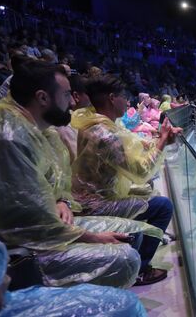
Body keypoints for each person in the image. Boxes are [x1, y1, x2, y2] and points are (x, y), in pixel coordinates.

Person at [0, 61, 140, 287]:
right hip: (22, 247)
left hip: (54, 222)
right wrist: (93, 238)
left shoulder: (41, 128)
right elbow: (31, 222)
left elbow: (58, 178)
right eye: (67, 94)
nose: (72, 102)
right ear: (42, 98)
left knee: (133, 233)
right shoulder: (8, 136)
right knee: (125, 258)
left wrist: (62, 200)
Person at [71, 74, 182, 285]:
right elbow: (140, 171)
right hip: (95, 205)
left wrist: (161, 140)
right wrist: (163, 142)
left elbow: (133, 145)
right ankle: (140, 268)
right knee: (163, 206)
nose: (128, 102)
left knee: (149, 198)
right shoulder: (103, 134)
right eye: (124, 97)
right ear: (112, 98)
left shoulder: (99, 125)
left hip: (93, 196)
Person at [0, 239, 147, 316]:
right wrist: (86, 235)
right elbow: (34, 222)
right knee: (126, 260)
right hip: (33, 246)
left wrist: (63, 202)